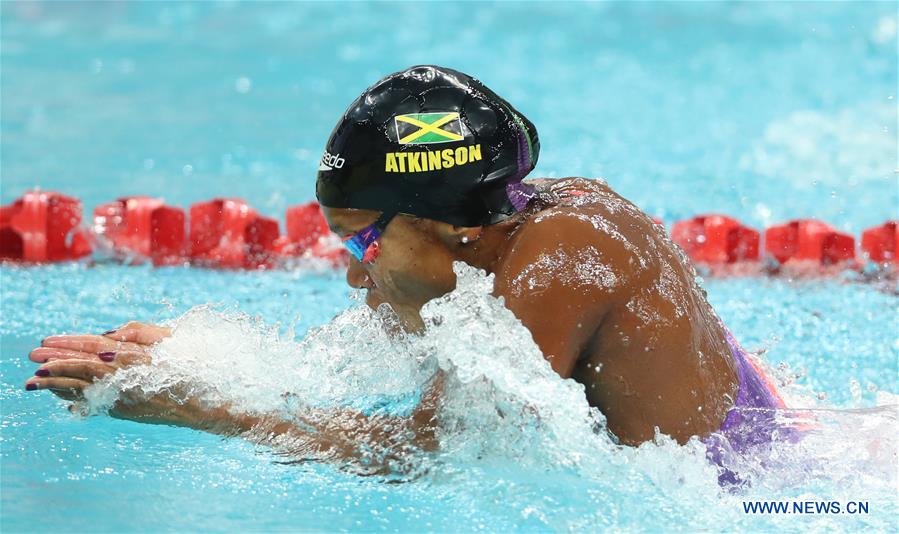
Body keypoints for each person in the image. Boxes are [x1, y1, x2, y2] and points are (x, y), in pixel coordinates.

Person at [25, 66, 784, 465]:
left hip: (753, 500)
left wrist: (202, 409)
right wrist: (208, 363)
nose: (355, 275)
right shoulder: (503, 224)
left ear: (438, 225)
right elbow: (376, 389)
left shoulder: (564, 258)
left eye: (360, 241)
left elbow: (431, 455)